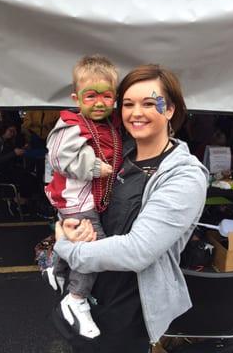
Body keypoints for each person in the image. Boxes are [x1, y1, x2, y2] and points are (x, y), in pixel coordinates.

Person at [52, 64, 209, 353]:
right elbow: (77, 195)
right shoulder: (115, 155)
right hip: (88, 291)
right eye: (127, 104)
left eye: (150, 103)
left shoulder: (183, 175)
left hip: (129, 308)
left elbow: (138, 251)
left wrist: (65, 249)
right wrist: (64, 226)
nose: (136, 113)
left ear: (170, 109)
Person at [44, 55, 122, 339]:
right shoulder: (71, 124)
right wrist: (93, 167)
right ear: (77, 98)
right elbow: (57, 156)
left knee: (77, 241)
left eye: (106, 96)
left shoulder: (108, 125)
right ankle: (75, 300)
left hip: (82, 200)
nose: (99, 102)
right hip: (77, 202)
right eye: (91, 96)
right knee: (94, 248)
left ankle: (57, 266)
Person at [0, 120, 39, 206]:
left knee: (30, 176)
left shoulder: (6, 141)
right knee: (27, 178)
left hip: (7, 170)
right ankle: (20, 201)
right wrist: (13, 153)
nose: (12, 133)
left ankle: (21, 200)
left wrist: (21, 150)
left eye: (14, 131)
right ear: (4, 130)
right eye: (10, 131)